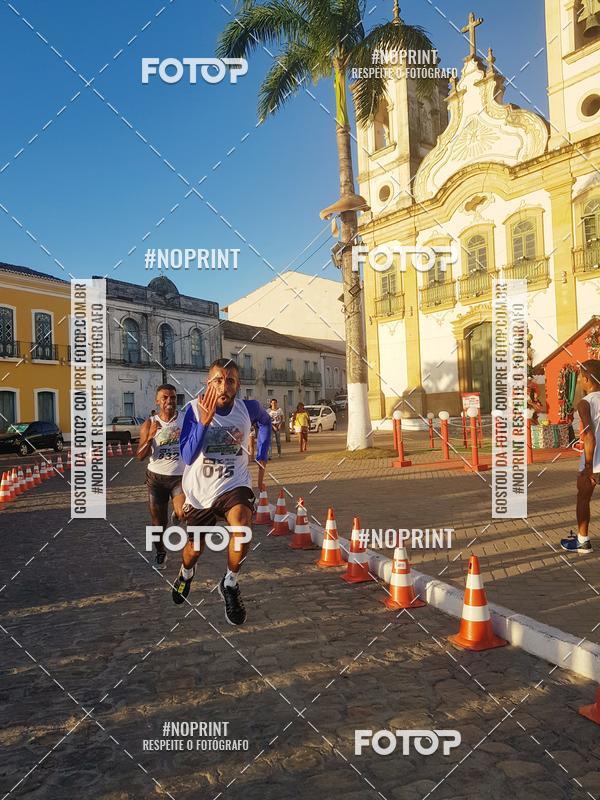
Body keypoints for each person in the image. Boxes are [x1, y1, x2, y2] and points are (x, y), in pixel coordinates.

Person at [172, 358, 271, 625]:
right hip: (200, 492)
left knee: (242, 526)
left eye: (230, 381)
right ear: (208, 383)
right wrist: (204, 423)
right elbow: (188, 456)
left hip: (233, 484)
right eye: (218, 380)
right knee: (194, 550)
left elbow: (265, 422)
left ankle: (229, 582)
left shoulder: (248, 408)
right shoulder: (193, 410)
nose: (223, 386)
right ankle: (185, 574)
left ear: (238, 385)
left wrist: (262, 453)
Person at [136, 385, 185, 570]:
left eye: (172, 397)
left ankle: (177, 511)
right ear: (157, 401)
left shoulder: (184, 419)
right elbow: (140, 455)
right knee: (158, 523)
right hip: (156, 479)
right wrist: (150, 437)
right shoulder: (149, 423)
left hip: (179, 477)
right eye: (165, 398)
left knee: (183, 513)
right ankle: (160, 552)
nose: (169, 401)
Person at [561, 359, 600, 555]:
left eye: (580, 379)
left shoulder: (585, 403)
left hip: (594, 459)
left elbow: (589, 435)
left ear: (586, 379)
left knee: (583, 498)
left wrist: (588, 465)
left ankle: (583, 541)